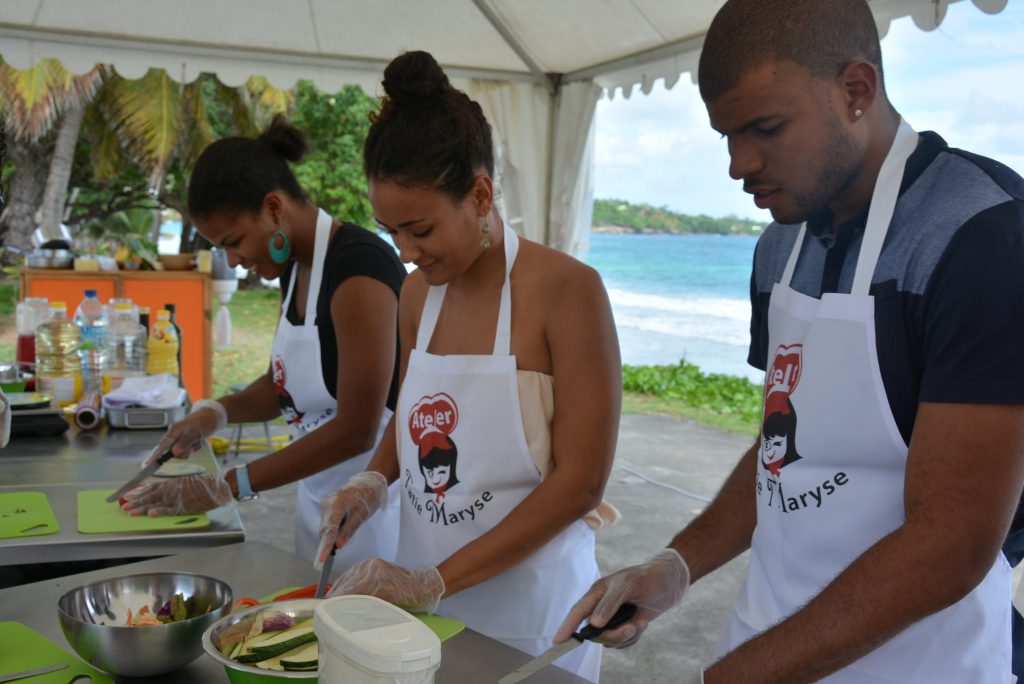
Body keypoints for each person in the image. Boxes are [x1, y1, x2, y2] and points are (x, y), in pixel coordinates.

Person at [557, 0, 1024, 681]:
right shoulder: (779, 244)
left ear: (856, 90)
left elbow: (951, 543)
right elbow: (784, 446)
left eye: (765, 128)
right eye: (727, 136)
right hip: (766, 635)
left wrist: (739, 675)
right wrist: (678, 565)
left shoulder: (982, 235)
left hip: (920, 664)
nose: (739, 165)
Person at [313, 51, 622, 682]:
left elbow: (580, 484)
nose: (403, 252)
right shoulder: (418, 295)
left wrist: (434, 580)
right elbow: (412, 415)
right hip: (417, 616)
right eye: (390, 231)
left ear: (480, 195)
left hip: (533, 618)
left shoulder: (568, 290)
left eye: (419, 229)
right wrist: (371, 482)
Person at [120, 116, 406, 571]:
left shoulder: (359, 268)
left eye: (234, 243)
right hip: (318, 501)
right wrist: (215, 412)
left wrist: (230, 484)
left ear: (274, 208)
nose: (234, 261)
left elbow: (358, 428)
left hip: (377, 518)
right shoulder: (294, 267)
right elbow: (288, 385)